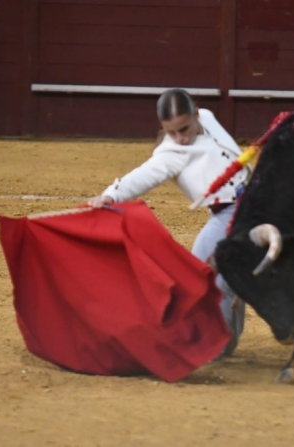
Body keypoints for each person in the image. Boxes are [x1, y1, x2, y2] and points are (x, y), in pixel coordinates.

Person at [88, 88, 248, 357]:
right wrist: (111, 194)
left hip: (256, 204)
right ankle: (220, 345)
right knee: (205, 278)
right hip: (227, 214)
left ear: (197, 114)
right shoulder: (171, 153)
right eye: (171, 132)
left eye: (184, 129)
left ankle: (216, 347)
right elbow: (144, 175)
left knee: (204, 280)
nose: (180, 138)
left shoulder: (207, 117)